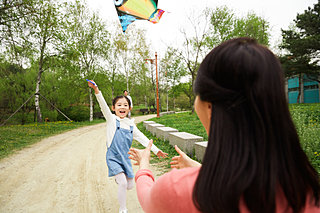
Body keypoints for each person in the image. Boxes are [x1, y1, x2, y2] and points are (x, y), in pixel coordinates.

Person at [128, 37, 320, 213]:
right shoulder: (307, 193)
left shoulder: (180, 191)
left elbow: (148, 198)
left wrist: (144, 164)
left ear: (210, 106)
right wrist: (197, 167)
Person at [87, 81, 168, 213]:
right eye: (119, 105)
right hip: (113, 157)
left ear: (129, 108)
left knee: (129, 185)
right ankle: (123, 209)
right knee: (123, 183)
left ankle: (119, 179)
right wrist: (96, 89)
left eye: (125, 105)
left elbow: (142, 137)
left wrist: (156, 150)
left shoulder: (131, 125)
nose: (122, 107)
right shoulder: (112, 120)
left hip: (125, 158)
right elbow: (102, 105)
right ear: (113, 108)